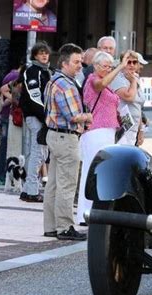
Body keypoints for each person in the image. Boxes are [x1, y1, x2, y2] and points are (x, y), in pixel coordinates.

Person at [43, 43, 92, 240]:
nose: (80, 65)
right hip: (65, 137)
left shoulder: (54, 81)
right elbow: (73, 116)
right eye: (76, 62)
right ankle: (64, 227)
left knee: (53, 184)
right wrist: (88, 117)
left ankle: (51, 226)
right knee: (67, 184)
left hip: (54, 135)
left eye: (81, 61)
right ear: (64, 63)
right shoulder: (66, 85)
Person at [76, 51, 129, 225]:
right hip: (95, 131)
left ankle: (95, 210)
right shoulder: (92, 79)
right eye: (105, 66)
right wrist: (120, 67)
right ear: (96, 66)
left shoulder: (107, 85)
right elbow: (100, 84)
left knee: (101, 171)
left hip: (107, 131)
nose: (108, 69)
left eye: (109, 66)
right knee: (91, 170)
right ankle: (84, 212)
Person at [19, 42, 53, 203]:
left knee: (39, 152)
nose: (44, 56)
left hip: (41, 117)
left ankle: (27, 189)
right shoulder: (32, 71)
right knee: (39, 152)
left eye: (46, 53)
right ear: (35, 56)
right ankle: (32, 190)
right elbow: (34, 96)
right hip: (36, 116)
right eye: (40, 53)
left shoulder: (47, 71)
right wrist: (46, 116)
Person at [110, 50, 147, 146]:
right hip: (123, 124)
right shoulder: (118, 78)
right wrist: (133, 82)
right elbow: (129, 97)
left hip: (134, 126)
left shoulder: (135, 77)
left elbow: (137, 107)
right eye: (128, 62)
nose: (131, 65)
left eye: (134, 62)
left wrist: (141, 130)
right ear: (122, 63)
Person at [0, 66, 22, 186]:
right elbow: (6, 90)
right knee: (8, 146)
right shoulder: (17, 77)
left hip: (4, 115)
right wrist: (18, 100)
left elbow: (3, 91)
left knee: (3, 146)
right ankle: (4, 176)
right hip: (10, 116)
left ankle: (0, 176)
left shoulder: (9, 75)